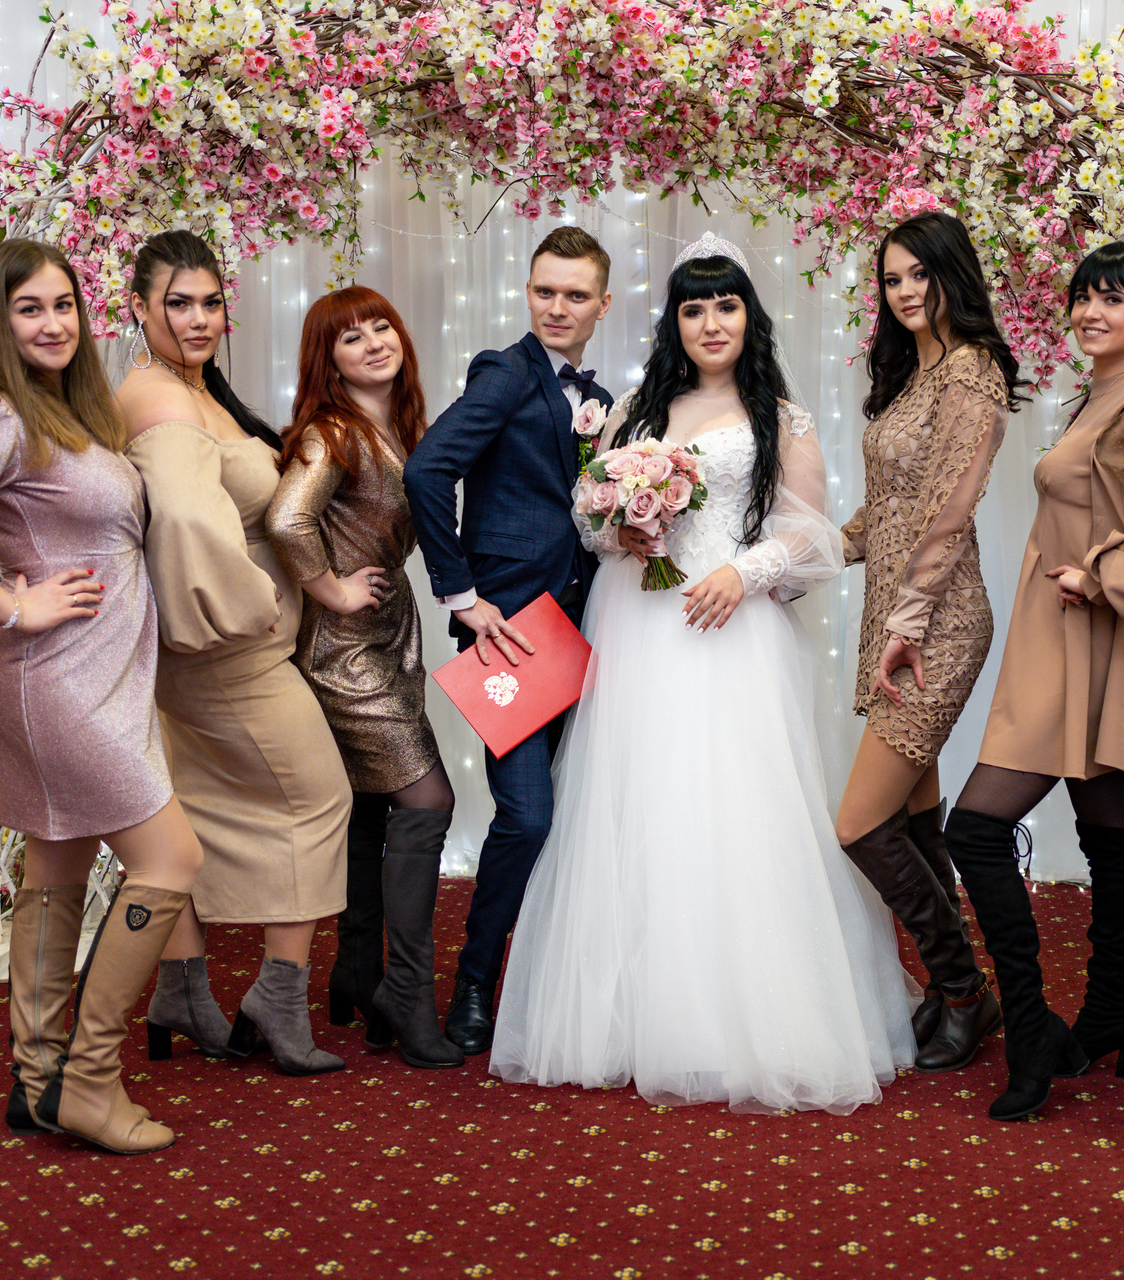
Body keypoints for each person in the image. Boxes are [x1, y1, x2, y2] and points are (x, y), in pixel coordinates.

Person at [488, 234, 916, 1113]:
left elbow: (814, 537)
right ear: (673, 322)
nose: (711, 322)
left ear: (748, 316)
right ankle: (635, 1015)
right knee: (637, 800)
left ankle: (737, 1022)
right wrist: (620, 528)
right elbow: (586, 517)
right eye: (693, 308)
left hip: (731, 630)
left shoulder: (781, 418)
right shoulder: (637, 406)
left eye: (726, 305)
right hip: (636, 625)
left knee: (732, 806)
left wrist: (743, 573)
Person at [0, 237, 201, 1154]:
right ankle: (89, 1083)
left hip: (98, 675)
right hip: (55, 681)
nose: (55, 323)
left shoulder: (68, 408)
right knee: (172, 859)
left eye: (64, 304)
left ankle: (36, 1080)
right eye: (30, 309)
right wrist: (12, 604)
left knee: (55, 869)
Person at [946, 239, 1124, 1122]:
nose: (1091, 311)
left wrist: (1097, 569)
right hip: (1071, 640)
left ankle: (1031, 1032)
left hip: (1081, 637)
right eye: (1084, 296)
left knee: (975, 829)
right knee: (1104, 822)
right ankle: (1105, 1015)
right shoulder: (1104, 395)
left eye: (1114, 299)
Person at [118, 230, 351, 1076]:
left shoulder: (191, 388)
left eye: (211, 302)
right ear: (138, 308)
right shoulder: (161, 398)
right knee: (320, 799)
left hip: (205, 654)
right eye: (177, 303)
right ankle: (276, 998)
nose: (198, 319)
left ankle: (181, 991)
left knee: (192, 812)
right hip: (227, 653)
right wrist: (258, 604)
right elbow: (185, 521)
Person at [402, 225, 615, 1055]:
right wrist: (462, 596)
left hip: (586, 629)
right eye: (544, 291)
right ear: (527, 292)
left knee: (581, 818)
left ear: (602, 304)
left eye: (575, 295)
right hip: (513, 636)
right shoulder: (505, 371)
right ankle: (475, 982)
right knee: (527, 817)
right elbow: (427, 470)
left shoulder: (598, 395)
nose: (557, 307)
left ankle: (557, 983)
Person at [833, 211, 1031, 1073]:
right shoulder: (914, 374)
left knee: (858, 825)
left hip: (935, 625)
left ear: (953, 275)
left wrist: (907, 624)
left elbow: (948, 513)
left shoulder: (973, 373)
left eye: (921, 273)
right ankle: (957, 990)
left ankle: (962, 989)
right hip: (892, 619)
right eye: (892, 278)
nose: (906, 291)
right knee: (913, 818)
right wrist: (810, 550)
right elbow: (890, 510)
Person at [267, 287, 463, 1071]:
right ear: (329, 361)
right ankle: (406, 993)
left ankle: (356, 969)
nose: (375, 341)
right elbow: (287, 519)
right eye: (351, 337)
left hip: (388, 635)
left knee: (372, 804)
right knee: (428, 798)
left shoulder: (401, 428)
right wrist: (332, 588)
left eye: (383, 325)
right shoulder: (333, 434)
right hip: (342, 651)